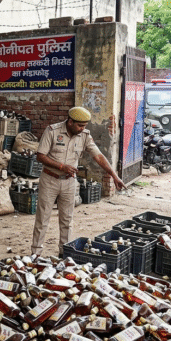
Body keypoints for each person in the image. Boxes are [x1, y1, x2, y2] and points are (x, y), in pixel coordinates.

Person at [31, 106, 126, 258]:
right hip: (49, 180)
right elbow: (40, 156)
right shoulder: (52, 131)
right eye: (80, 125)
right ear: (70, 122)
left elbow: (99, 156)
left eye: (85, 126)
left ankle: (65, 252)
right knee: (43, 218)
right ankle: (35, 253)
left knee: (67, 220)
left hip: (69, 182)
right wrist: (61, 166)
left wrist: (114, 175)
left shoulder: (85, 136)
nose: (82, 129)